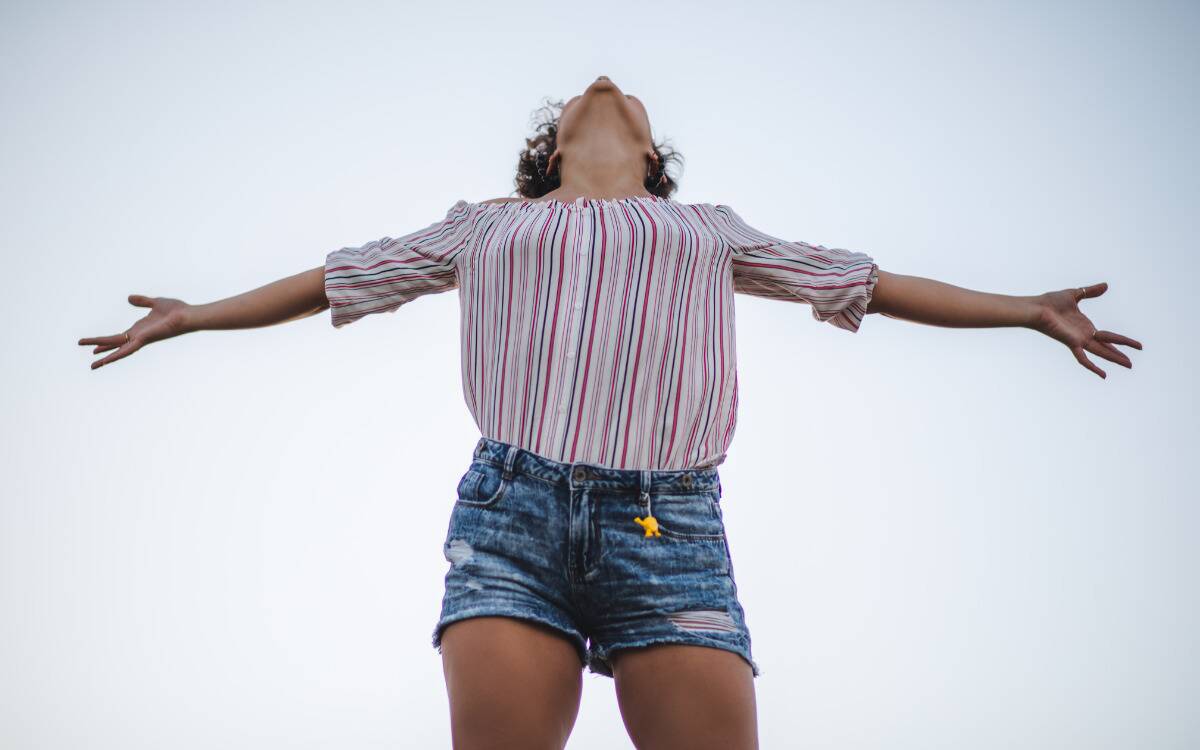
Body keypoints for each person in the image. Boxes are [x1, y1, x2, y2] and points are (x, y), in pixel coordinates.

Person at [78, 75, 1143, 749]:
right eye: (589, 98)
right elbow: (331, 278)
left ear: (651, 152)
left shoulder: (708, 229)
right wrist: (191, 317)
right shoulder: (481, 225)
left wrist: (1028, 311)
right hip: (512, 517)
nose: (605, 83)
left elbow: (871, 282)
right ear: (548, 152)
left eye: (630, 98)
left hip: (669, 530)